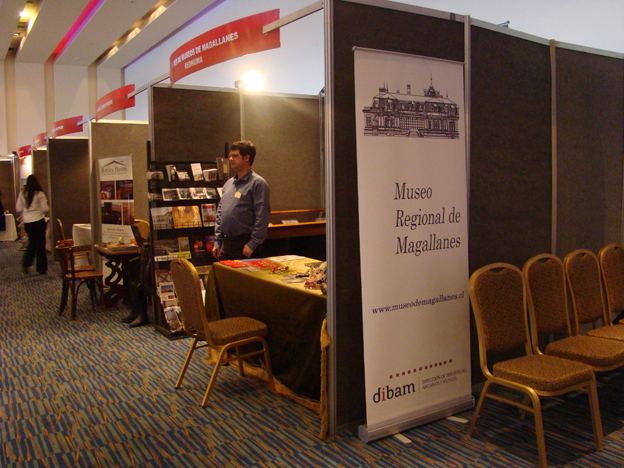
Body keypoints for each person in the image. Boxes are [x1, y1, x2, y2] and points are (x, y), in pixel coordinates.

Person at [213, 141, 270, 261]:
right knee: (222, 273)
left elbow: (262, 217)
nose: (230, 159)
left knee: (244, 274)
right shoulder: (228, 184)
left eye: (235, 156)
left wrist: (253, 244)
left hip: (245, 245)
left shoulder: (258, 183)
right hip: (226, 244)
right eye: (230, 156)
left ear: (246, 158)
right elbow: (220, 213)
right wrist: (218, 241)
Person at [16, 175, 49, 274]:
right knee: (40, 245)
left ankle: (26, 263)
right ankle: (41, 268)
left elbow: (18, 208)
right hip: (38, 221)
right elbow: (45, 209)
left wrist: (26, 212)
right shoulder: (39, 194)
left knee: (32, 243)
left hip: (28, 222)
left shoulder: (22, 194)